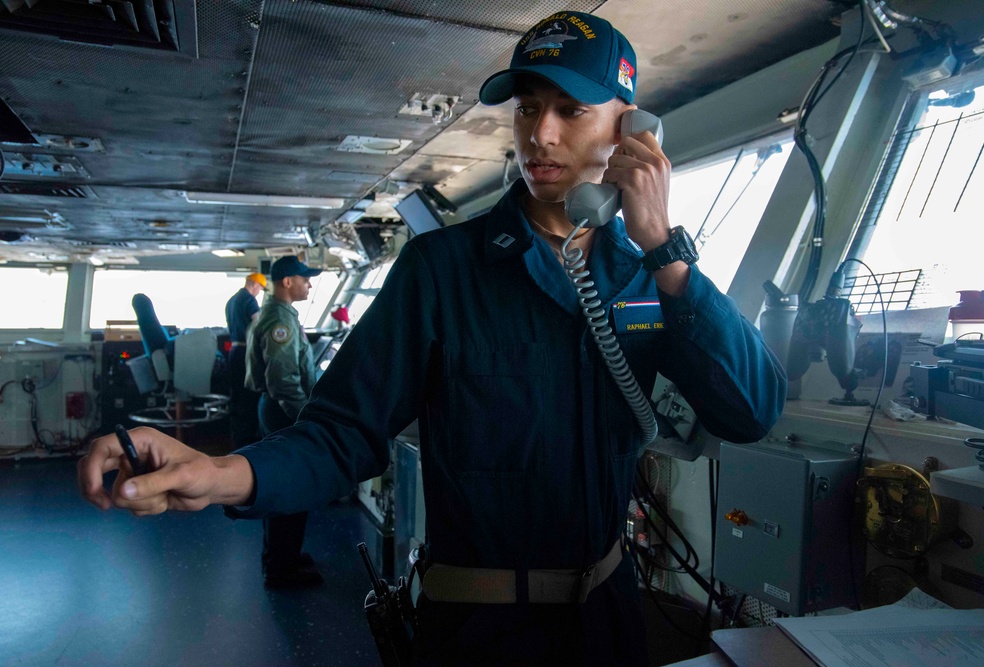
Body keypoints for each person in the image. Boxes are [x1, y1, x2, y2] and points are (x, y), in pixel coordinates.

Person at [79, 12, 785, 665]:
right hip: (477, 635)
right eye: (529, 107)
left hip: (607, 621)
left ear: (631, 130)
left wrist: (665, 248)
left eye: (571, 111)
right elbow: (341, 432)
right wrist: (220, 471)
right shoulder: (443, 269)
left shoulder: (648, 278)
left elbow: (751, 410)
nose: (540, 134)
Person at [242, 256, 324, 589]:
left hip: (274, 409)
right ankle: (281, 568)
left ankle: (281, 556)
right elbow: (283, 382)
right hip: (283, 410)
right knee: (292, 488)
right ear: (287, 282)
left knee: (280, 485)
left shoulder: (279, 315)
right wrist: (308, 418)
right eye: (305, 279)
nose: (309, 284)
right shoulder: (281, 321)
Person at [224, 272, 267, 450]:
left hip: (233, 352)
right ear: (255, 285)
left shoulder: (232, 300)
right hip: (245, 353)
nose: (259, 292)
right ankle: (248, 442)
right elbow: (258, 326)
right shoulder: (249, 300)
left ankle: (236, 439)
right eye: (260, 289)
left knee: (236, 396)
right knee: (248, 397)